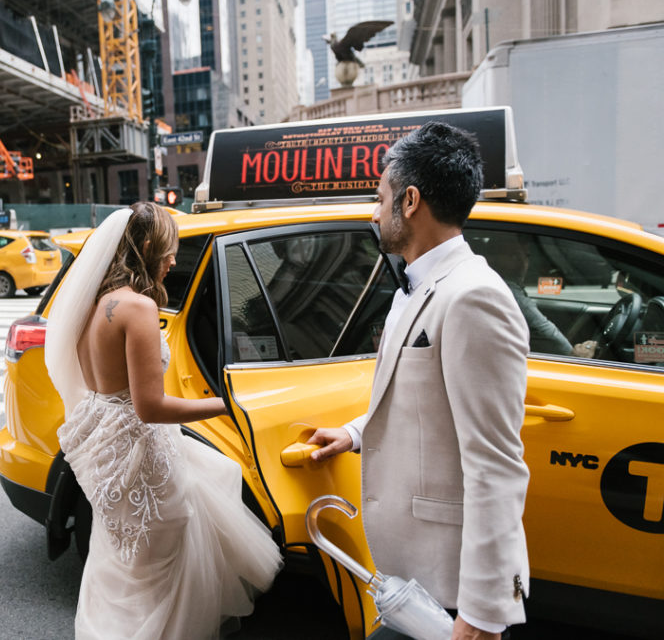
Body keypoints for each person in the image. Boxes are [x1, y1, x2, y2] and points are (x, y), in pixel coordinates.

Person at [306, 123, 530, 639]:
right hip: (408, 578)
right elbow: (423, 399)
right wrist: (358, 432)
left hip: (451, 589)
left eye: (378, 197)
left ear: (409, 201)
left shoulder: (474, 297)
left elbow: (496, 465)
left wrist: (482, 613)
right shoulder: (417, 284)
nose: (372, 211)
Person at [45, 202, 281, 640]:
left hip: (102, 441)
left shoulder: (94, 303)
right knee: (162, 553)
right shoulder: (137, 308)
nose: (174, 260)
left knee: (123, 555)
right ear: (149, 247)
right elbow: (149, 407)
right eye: (171, 251)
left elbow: (109, 390)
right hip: (138, 447)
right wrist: (225, 406)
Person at [482, 231, 595, 358]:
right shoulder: (507, 290)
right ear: (490, 258)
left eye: (526, 255)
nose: (522, 262)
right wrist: (578, 357)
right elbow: (547, 335)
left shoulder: (501, 287)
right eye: (511, 255)